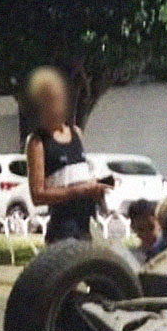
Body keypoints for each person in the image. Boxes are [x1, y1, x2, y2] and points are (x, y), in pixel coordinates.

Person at [25, 67, 110, 244]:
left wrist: (95, 188)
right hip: (62, 229)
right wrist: (76, 191)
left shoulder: (76, 133)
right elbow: (38, 195)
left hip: (87, 225)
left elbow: (80, 174)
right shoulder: (38, 142)